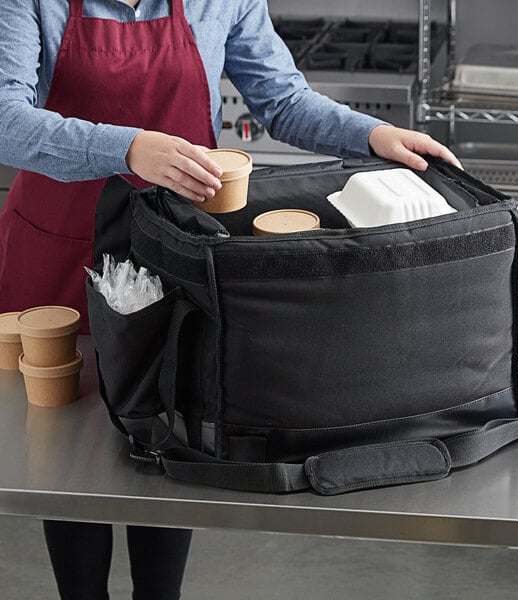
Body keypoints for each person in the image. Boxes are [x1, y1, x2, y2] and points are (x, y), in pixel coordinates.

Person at [0, 1, 461, 598]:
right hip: (62, 251)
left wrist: (372, 134)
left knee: (177, 427)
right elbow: (6, 119)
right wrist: (131, 148)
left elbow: (282, 101)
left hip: (174, 249)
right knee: (66, 449)